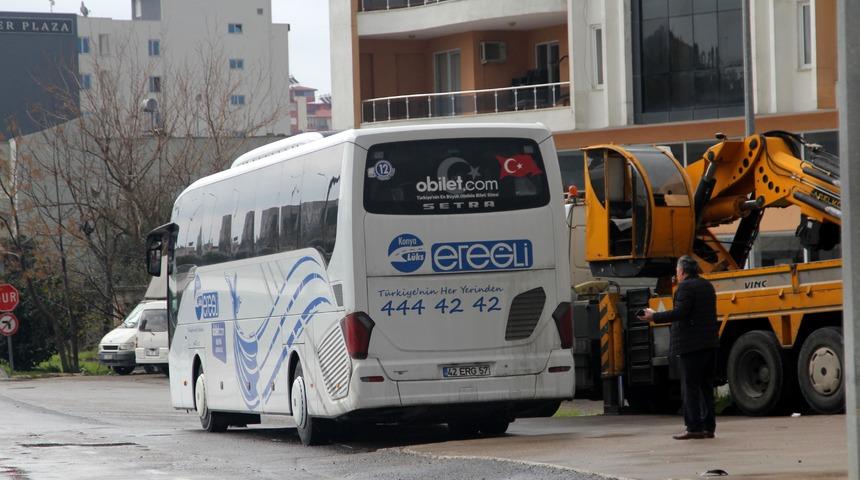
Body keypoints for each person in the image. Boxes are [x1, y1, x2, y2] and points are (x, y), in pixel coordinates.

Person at [639, 255, 719, 440]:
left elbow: (681, 313)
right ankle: (708, 427)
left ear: (682, 271)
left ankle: (694, 428)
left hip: (691, 346)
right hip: (710, 344)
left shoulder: (685, 287)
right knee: (706, 387)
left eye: (677, 270)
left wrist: (654, 316)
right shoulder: (707, 286)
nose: (676, 274)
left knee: (690, 387)